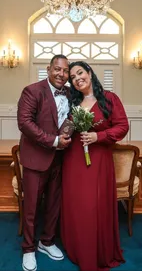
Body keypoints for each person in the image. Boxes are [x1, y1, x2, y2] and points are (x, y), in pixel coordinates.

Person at [61, 61, 129, 271]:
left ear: (89, 72)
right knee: (76, 204)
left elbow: (122, 126)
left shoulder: (109, 98)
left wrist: (97, 136)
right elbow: (67, 128)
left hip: (98, 160)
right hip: (74, 160)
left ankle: (97, 250)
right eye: (72, 77)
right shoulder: (73, 102)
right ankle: (77, 248)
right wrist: (65, 130)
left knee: (94, 205)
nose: (77, 78)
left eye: (80, 73)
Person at [17, 54, 71, 271]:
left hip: (60, 159)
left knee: (54, 205)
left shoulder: (69, 93)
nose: (61, 74)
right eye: (57, 69)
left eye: (65, 71)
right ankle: (28, 249)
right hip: (36, 159)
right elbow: (25, 123)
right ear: (48, 69)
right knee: (31, 208)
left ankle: (46, 242)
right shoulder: (32, 90)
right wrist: (54, 141)